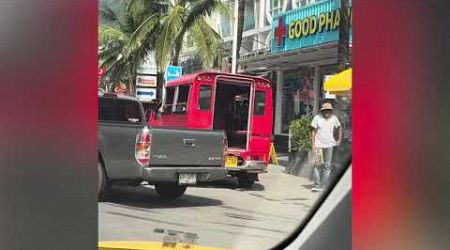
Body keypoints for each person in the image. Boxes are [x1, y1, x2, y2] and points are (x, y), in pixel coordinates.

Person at [311, 102, 342, 192]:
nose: (327, 112)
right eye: (325, 110)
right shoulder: (317, 118)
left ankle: (323, 185)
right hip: (318, 145)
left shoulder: (334, 118)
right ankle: (317, 185)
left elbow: (339, 127)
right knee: (317, 165)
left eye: (329, 110)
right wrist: (313, 145)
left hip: (329, 145)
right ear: (322, 111)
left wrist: (339, 139)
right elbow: (313, 132)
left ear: (331, 111)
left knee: (327, 165)